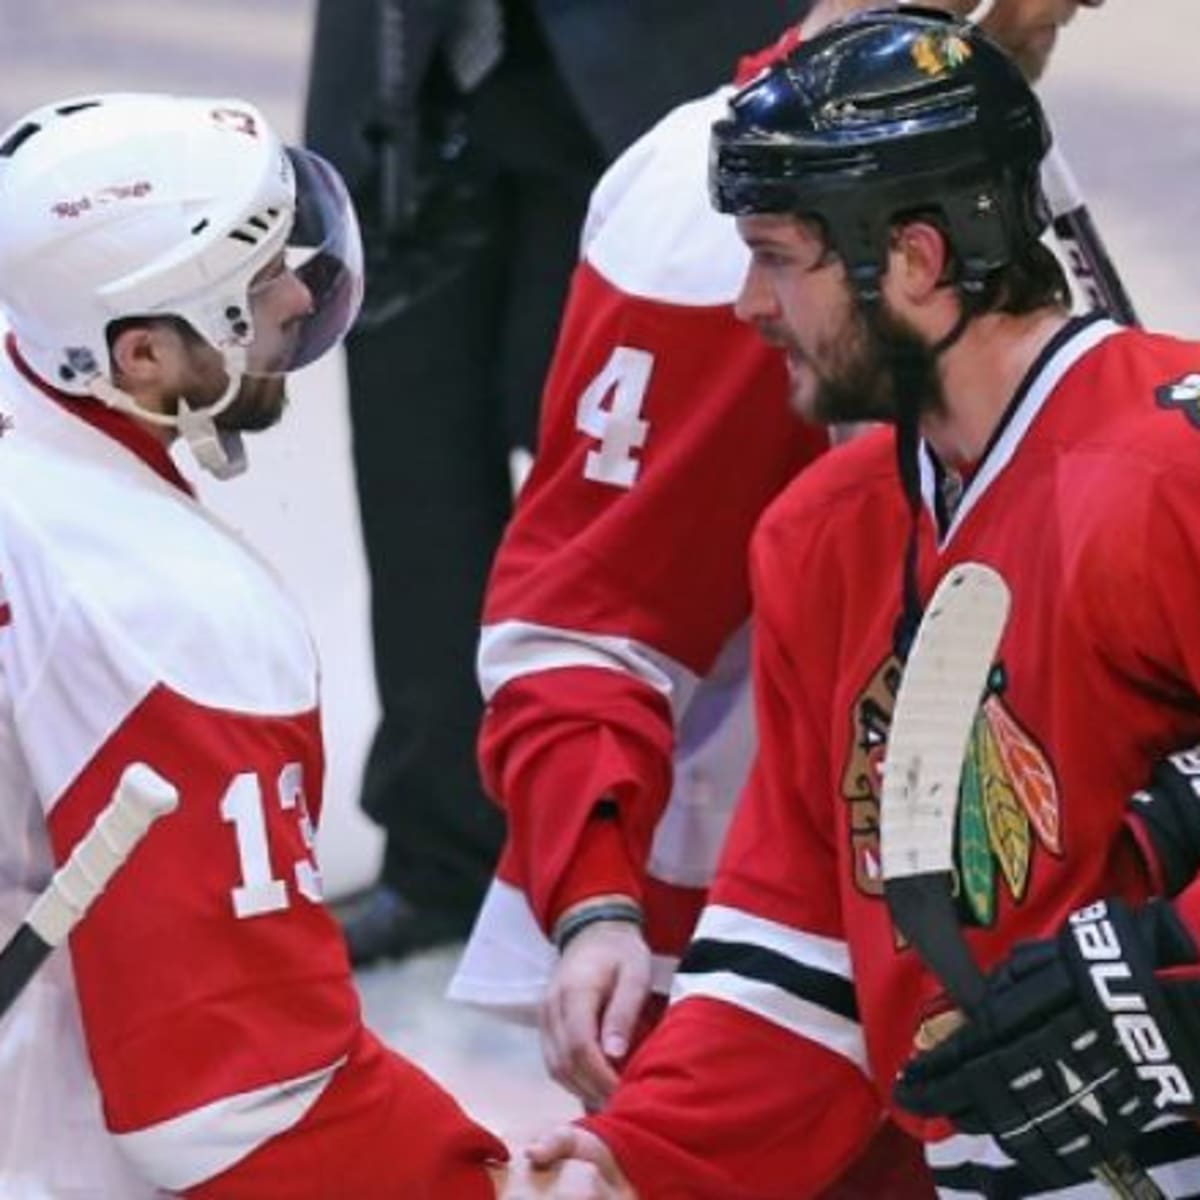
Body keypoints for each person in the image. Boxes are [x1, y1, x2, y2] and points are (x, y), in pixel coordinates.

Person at [517, 8, 1200, 1197]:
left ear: (920, 262)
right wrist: (640, 1161)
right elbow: (802, 945)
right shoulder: (826, 537)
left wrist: (1171, 961)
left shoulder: (1172, 468)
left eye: (778, 256)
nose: (746, 305)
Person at [0, 91, 530, 1198]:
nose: (296, 291)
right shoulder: (167, 609)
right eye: (247, 290)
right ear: (138, 356)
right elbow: (234, 1099)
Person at [303, 0, 814, 968]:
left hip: (652, 76)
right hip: (407, 69)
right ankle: (440, 847)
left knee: (622, 495)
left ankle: (629, 852)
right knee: (413, 464)